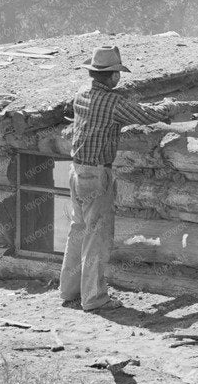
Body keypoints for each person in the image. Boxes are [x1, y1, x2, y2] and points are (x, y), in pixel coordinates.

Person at [60, 44, 167, 312]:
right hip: (97, 174)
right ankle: (94, 298)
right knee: (97, 237)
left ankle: (69, 290)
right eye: (118, 72)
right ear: (114, 76)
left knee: (78, 231)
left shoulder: (81, 94)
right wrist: (171, 107)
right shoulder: (113, 102)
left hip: (76, 171)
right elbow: (147, 116)